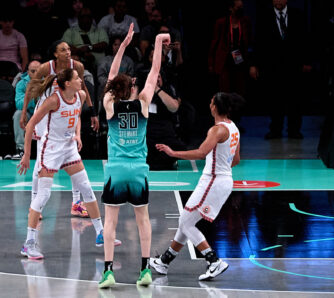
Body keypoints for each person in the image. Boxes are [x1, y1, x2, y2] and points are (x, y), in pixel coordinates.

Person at [17, 68, 120, 259]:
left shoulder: (80, 95)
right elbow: (31, 125)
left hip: (69, 147)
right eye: (77, 78)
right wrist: (27, 155)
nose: (81, 80)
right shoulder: (54, 100)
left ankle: (101, 234)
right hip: (51, 149)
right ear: (67, 84)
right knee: (44, 195)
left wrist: (77, 135)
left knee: (87, 188)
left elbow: (76, 116)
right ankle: (28, 243)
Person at [98, 24, 170, 289]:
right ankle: (144, 270)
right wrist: (160, 43)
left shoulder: (109, 105)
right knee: (142, 220)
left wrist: (124, 45)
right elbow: (154, 72)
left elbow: (111, 76)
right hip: (138, 169)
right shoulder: (142, 103)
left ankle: (108, 272)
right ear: (131, 88)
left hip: (115, 170)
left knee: (111, 222)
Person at [150, 92, 244, 281]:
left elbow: (201, 153)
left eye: (211, 102)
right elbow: (236, 159)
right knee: (187, 220)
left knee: (186, 221)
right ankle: (165, 261)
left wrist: (173, 153)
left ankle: (213, 260)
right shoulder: (233, 128)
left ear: (215, 107)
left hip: (213, 181)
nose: (209, 104)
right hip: (224, 180)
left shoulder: (217, 130)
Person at [20, 40, 100, 217]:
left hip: (64, 113)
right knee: (41, 164)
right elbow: (31, 87)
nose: (68, 52)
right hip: (47, 113)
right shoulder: (46, 68)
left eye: (69, 49)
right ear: (55, 54)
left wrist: (93, 111)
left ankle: (77, 203)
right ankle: (35, 205)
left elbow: (83, 87)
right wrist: (24, 111)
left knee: (73, 158)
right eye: (63, 50)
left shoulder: (76, 66)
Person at [249, 0, 312, 139]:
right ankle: (275, 130)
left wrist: (307, 61)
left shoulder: (297, 15)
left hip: (294, 66)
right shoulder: (264, 16)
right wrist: (254, 64)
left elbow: (306, 40)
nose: (278, 1)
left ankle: (294, 130)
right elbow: (258, 42)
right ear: (272, 0)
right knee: (275, 99)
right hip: (272, 66)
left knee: (295, 99)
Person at [208, 0, 253, 99]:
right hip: (225, 58)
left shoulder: (245, 21)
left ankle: (237, 113)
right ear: (231, 9)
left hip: (238, 56)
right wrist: (211, 63)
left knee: (239, 88)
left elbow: (249, 41)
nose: (240, 9)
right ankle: (225, 113)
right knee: (225, 89)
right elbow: (214, 43)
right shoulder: (221, 22)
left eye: (242, 7)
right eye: (238, 7)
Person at [62, 6, 109, 73]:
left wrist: (89, 48)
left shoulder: (100, 31)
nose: (85, 19)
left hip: (99, 68)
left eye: (88, 17)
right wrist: (82, 53)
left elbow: (104, 44)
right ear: (78, 18)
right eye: (83, 17)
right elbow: (65, 46)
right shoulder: (70, 31)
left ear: (92, 19)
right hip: (76, 66)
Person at [10, 60, 41, 160]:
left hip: (43, 113)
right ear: (28, 72)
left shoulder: (48, 82)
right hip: (28, 113)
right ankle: (20, 149)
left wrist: (29, 99)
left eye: (38, 71)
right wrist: (35, 98)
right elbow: (19, 104)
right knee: (18, 114)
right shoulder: (21, 84)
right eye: (33, 71)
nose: (36, 74)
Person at [0, 6, 28, 73]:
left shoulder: (19, 36)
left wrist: (23, 74)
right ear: (0, 22)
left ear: (13, 22)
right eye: (5, 21)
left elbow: (24, 58)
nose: (7, 24)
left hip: (14, 66)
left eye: (10, 21)